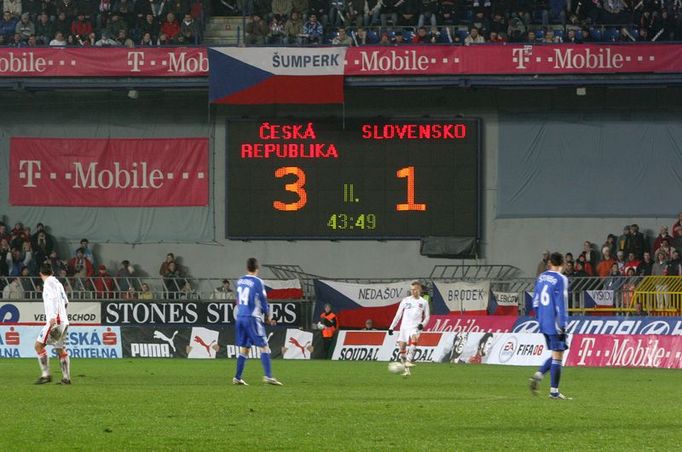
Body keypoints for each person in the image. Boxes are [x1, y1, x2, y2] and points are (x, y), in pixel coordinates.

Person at [233, 257, 282, 386]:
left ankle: (237, 377)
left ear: (246, 268)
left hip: (240, 317)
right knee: (264, 346)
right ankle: (268, 376)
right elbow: (263, 300)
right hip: (252, 317)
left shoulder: (240, 281)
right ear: (257, 268)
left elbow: (237, 300)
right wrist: (268, 316)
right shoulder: (258, 281)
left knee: (245, 349)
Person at [528, 252, 570, 400]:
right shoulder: (561, 279)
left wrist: (539, 318)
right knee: (558, 355)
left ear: (550, 263)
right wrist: (562, 323)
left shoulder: (541, 277)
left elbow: (535, 300)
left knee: (555, 353)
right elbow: (561, 302)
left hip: (543, 321)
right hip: (555, 322)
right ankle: (554, 392)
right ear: (563, 264)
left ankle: (538, 376)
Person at [34, 262, 71, 385]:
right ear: (52, 272)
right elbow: (66, 302)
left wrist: (54, 316)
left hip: (55, 321)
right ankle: (66, 378)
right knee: (60, 349)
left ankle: (46, 375)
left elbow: (54, 299)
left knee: (38, 346)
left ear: (40, 274)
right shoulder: (58, 283)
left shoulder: (48, 283)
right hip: (64, 320)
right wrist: (62, 315)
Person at [388, 280, 430, 376]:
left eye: (415, 289)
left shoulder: (424, 302)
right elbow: (398, 314)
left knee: (414, 338)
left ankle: (409, 360)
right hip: (404, 327)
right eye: (411, 289)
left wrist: (422, 324)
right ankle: (407, 371)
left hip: (415, 326)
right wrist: (391, 327)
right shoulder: (405, 300)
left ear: (419, 290)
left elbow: (427, 316)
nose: (413, 291)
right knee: (402, 347)